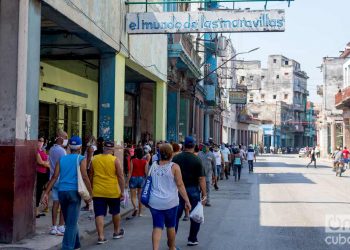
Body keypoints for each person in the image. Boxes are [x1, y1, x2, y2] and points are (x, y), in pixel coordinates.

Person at [42, 136, 92, 250]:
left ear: (69, 146)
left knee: (70, 219)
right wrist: (90, 193)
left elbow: (54, 177)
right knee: (70, 223)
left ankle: (76, 244)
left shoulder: (62, 159)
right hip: (74, 193)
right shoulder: (81, 158)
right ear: (80, 147)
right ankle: (67, 247)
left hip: (62, 192)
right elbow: (84, 176)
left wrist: (46, 192)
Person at [148, 144, 191, 250]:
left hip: (154, 202)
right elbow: (180, 185)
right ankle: (172, 248)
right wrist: (187, 200)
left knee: (157, 227)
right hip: (170, 202)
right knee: (171, 226)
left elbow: (148, 180)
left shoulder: (153, 165)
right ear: (171, 154)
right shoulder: (174, 167)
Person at [172, 136, 207, 247]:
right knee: (195, 215)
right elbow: (201, 178)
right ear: (194, 146)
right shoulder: (197, 160)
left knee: (175, 216)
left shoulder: (176, 158)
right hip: (193, 190)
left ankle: (172, 241)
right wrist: (205, 194)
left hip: (177, 190)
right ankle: (192, 239)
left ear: (184, 145)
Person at [90, 141, 125, 244]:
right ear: (112, 150)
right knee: (115, 212)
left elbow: (91, 174)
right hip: (112, 191)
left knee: (99, 214)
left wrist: (91, 188)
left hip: (98, 191)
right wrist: (122, 191)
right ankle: (117, 232)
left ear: (103, 148)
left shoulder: (94, 159)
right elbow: (120, 176)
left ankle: (101, 237)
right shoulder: (115, 160)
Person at [48, 130, 68, 236]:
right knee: (63, 203)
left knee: (55, 203)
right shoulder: (62, 151)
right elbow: (64, 166)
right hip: (61, 179)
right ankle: (61, 226)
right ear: (60, 137)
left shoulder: (51, 149)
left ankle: (53, 226)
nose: (66, 139)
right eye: (65, 137)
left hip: (52, 179)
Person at [128, 147, 148, 217]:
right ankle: (140, 213)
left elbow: (130, 172)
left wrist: (127, 181)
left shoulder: (132, 160)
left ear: (136, 153)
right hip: (141, 179)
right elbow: (146, 172)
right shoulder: (145, 161)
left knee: (133, 196)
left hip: (133, 178)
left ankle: (135, 207)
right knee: (140, 196)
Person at [36, 136, 50, 218]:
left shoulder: (43, 150)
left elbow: (47, 161)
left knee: (42, 192)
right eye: (39, 141)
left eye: (42, 141)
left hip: (45, 173)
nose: (41, 143)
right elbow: (40, 162)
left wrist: (46, 163)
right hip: (39, 173)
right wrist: (46, 164)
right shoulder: (36, 151)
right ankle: (36, 211)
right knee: (38, 192)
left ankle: (39, 209)